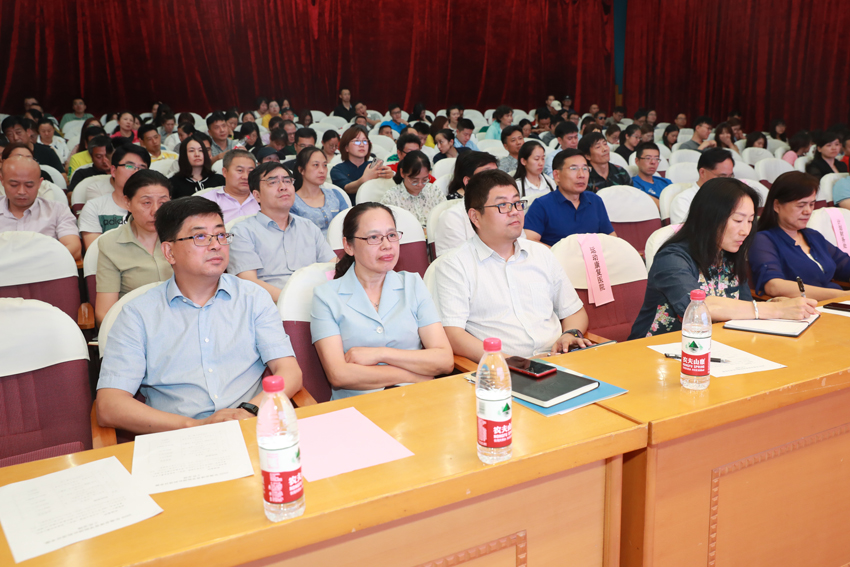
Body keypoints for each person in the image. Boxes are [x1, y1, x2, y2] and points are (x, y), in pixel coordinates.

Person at [96, 197, 303, 434]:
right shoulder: (137, 314)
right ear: (169, 252)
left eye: (221, 235)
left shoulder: (253, 297)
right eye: (200, 237)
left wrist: (247, 412)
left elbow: (290, 372)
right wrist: (196, 426)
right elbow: (109, 406)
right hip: (177, 436)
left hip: (250, 426)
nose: (216, 245)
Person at [629, 178, 816, 338]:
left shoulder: (729, 256)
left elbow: (743, 307)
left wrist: (772, 304)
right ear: (710, 217)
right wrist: (775, 310)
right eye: (738, 220)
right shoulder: (672, 258)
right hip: (656, 352)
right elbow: (698, 307)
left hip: (716, 347)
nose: (745, 231)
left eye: (750, 221)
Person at [434, 169, 592, 359]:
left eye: (517, 203)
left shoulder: (541, 253)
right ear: (475, 217)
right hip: (504, 368)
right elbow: (453, 335)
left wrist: (570, 334)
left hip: (559, 358)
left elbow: (574, 312)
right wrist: (509, 363)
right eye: (502, 205)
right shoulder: (454, 265)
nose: (515, 211)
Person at [310, 203, 453, 400]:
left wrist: (381, 354)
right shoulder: (326, 296)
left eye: (392, 235)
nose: (387, 245)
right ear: (348, 246)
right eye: (374, 238)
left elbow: (444, 360)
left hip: (416, 400)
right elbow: (339, 374)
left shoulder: (413, 284)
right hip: (358, 405)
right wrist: (412, 375)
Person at [226, 162, 336, 303]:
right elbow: (248, 282)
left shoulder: (308, 226)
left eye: (287, 181)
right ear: (257, 195)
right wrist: (295, 303)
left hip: (316, 303)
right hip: (268, 307)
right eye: (273, 182)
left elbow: (333, 267)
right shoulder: (242, 232)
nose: (283, 187)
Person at [749, 171, 850, 300]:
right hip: (806, 307)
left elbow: (845, 265)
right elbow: (774, 286)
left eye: (812, 204)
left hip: (836, 303)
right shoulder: (763, 240)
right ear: (777, 206)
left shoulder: (813, 236)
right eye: (801, 205)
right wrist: (842, 295)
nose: (808, 211)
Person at [94, 170, 173, 325]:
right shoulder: (110, 244)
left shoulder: (184, 237)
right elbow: (104, 312)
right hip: (136, 326)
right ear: (128, 203)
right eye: (146, 203)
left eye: (163, 203)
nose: (155, 211)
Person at [524, 149, 615, 247]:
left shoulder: (595, 200)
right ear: (557, 175)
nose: (581, 175)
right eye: (574, 169)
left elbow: (611, 238)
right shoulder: (541, 205)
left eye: (585, 169)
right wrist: (559, 254)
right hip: (556, 256)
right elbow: (530, 241)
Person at [0, 156, 81, 261]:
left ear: (39, 183)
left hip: (46, 269)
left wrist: (35, 263)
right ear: (2, 181)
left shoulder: (58, 210)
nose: (21, 191)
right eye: (14, 185)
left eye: (29, 185)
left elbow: (74, 249)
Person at [79, 145, 151, 248]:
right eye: (129, 166)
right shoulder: (94, 207)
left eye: (142, 168)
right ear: (113, 171)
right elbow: (94, 251)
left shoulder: (155, 207)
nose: (136, 172)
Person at [436, 152, 501, 253]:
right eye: (487, 174)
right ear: (468, 181)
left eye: (497, 174)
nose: (496, 180)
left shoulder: (508, 208)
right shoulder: (452, 217)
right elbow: (452, 260)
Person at [291, 147, 350, 236]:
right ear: (301, 170)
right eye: (316, 165)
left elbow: (350, 223)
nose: (322, 170)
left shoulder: (335, 194)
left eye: (325, 165)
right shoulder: (292, 202)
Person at [669, 148, 735, 225]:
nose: (727, 182)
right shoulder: (684, 201)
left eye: (730, 176)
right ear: (702, 172)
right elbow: (684, 231)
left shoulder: (732, 197)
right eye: (722, 176)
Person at [380, 151, 444, 226]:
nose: (420, 185)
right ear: (402, 173)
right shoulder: (391, 198)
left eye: (424, 180)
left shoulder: (434, 191)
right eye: (414, 181)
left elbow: (446, 218)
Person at [330, 126, 393, 200]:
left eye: (365, 141)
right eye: (357, 141)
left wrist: (391, 177)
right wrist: (364, 179)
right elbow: (347, 188)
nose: (362, 145)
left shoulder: (374, 166)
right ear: (346, 147)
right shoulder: (337, 169)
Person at [199, 149, 259, 224]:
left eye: (250, 171)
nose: (246, 177)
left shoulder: (264, 200)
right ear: (224, 172)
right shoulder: (206, 200)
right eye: (240, 170)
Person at [169, 134, 225, 198]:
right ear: (184, 155)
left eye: (200, 150)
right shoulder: (173, 183)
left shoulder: (219, 180)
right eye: (191, 151)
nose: (197, 154)